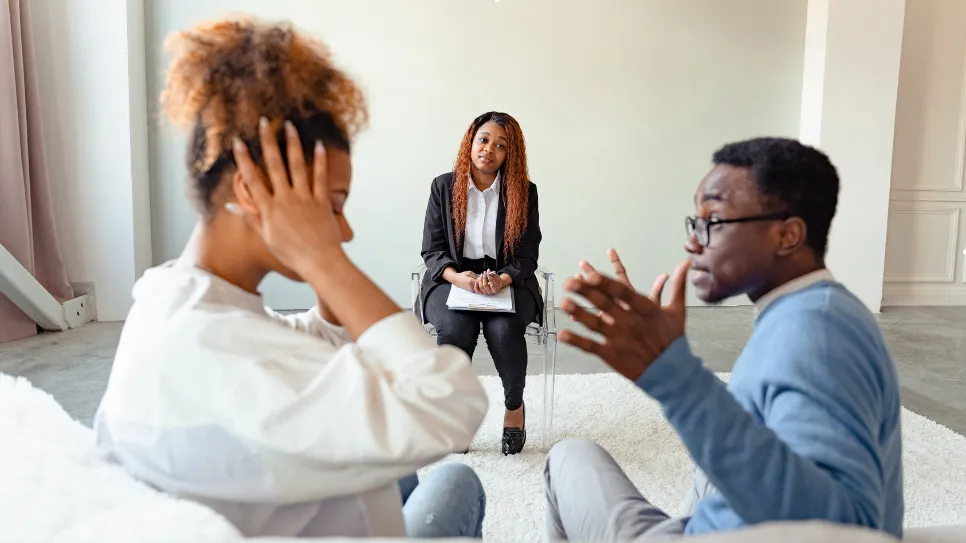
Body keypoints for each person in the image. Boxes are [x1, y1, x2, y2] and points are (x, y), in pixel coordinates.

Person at [92, 17, 488, 539]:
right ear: (253, 191)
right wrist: (323, 259)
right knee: (457, 481)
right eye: (333, 207)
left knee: (404, 474)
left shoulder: (171, 295)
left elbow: (302, 346)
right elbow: (450, 402)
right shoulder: (214, 352)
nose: (343, 231)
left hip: (281, 487)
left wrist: (319, 260)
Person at [544, 137, 903, 540]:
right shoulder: (811, 310)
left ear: (788, 236)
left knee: (566, 456)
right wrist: (668, 355)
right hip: (717, 524)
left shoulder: (816, 333)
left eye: (713, 221)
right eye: (695, 222)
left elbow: (843, 528)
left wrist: (674, 376)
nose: (693, 241)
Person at [420, 111, 542, 455]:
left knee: (504, 332)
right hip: (452, 277)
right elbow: (432, 249)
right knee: (455, 329)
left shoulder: (524, 192)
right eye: (484, 140)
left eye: (501, 145)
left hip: (508, 278)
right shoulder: (444, 186)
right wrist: (459, 278)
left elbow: (528, 255)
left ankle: (514, 408)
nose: (489, 149)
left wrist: (502, 278)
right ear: (470, 143)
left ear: (510, 155)